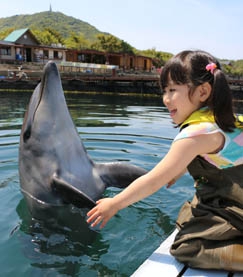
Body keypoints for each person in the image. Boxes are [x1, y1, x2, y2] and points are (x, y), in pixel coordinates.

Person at [87, 50, 243, 271]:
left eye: (172, 90)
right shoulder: (227, 119)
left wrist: (115, 203)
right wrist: (179, 169)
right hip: (232, 196)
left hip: (236, 207)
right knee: (190, 214)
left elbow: (153, 180)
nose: (165, 99)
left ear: (203, 91)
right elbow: (221, 155)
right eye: (164, 91)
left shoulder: (195, 134)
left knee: (186, 247)